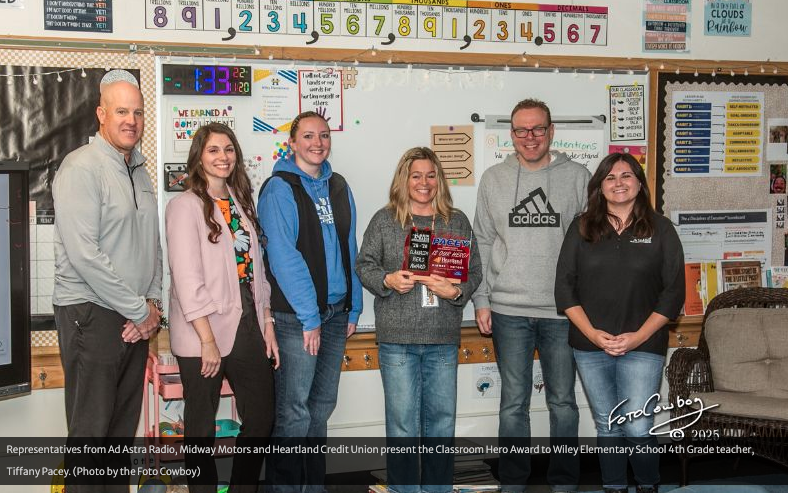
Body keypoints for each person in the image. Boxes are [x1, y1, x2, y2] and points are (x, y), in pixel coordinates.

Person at [52, 69, 162, 492]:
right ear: (101, 114)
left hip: (135, 320)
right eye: (121, 111)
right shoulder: (81, 167)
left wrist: (152, 305)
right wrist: (140, 311)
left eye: (137, 111)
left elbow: (150, 242)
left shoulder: (139, 170)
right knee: (90, 439)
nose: (131, 120)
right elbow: (85, 255)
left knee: (119, 439)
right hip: (91, 316)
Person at [472, 98, 589, 492]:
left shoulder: (577, 176)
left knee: (563, 404)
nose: (530, 137)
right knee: (513, 405)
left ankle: (564, 483)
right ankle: (513, 483)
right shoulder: (493, 179)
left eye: (538, 128)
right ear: (512, 135)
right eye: (522, 130)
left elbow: (593, 244)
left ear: (551, 131)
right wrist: (482, 300)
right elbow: (483, 242)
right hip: (508, 309)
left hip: (564, 311)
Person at [555, 153, 685, 493]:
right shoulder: (581, 228)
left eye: (626, 176)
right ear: (600, 186)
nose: (618, 183)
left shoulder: (661, 229)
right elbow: (564, 288)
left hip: (644, 346)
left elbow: (673, 294)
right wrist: (594, 336)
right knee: (608, 425)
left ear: (639, 184)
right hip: (590, 345)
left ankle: (647, 485)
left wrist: (636, 337)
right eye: (610, 177)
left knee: (638, 427)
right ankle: (614, 487)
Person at [356, 147, 482, 493]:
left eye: (430, 175)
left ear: (438, 179)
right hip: (397, 339)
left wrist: (455, 293)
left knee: (441, 424)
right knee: (402, 426)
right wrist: (387, 280)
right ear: (404, 179)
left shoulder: (455, 221)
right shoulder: (385, 220)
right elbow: (364, 265)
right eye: (416, 175)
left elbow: (474, 272)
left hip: (442, 338)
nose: (424, 182)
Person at [165, 123, 279, 492]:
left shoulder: (240, 202)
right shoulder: (183, 206)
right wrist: (207, 341)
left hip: (247, 322)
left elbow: (256, 271)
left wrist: (268, 323)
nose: (223, 157)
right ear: (199, 156)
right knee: (200, 429)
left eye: (229, 149)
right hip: (203, 331)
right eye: (214, 150)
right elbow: (186, 279)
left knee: (261, 418)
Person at [258, 110, 363, 492]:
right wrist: (309, 318)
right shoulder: (279, 188)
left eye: (323, 135)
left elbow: (349, 247)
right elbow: (284, 257)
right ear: (292, 142)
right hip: (297, 319)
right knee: (293, 414)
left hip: (335, 315)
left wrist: (353, 304)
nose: (317, 143)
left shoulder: (338, 185)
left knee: (320, 410)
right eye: (308, 136)